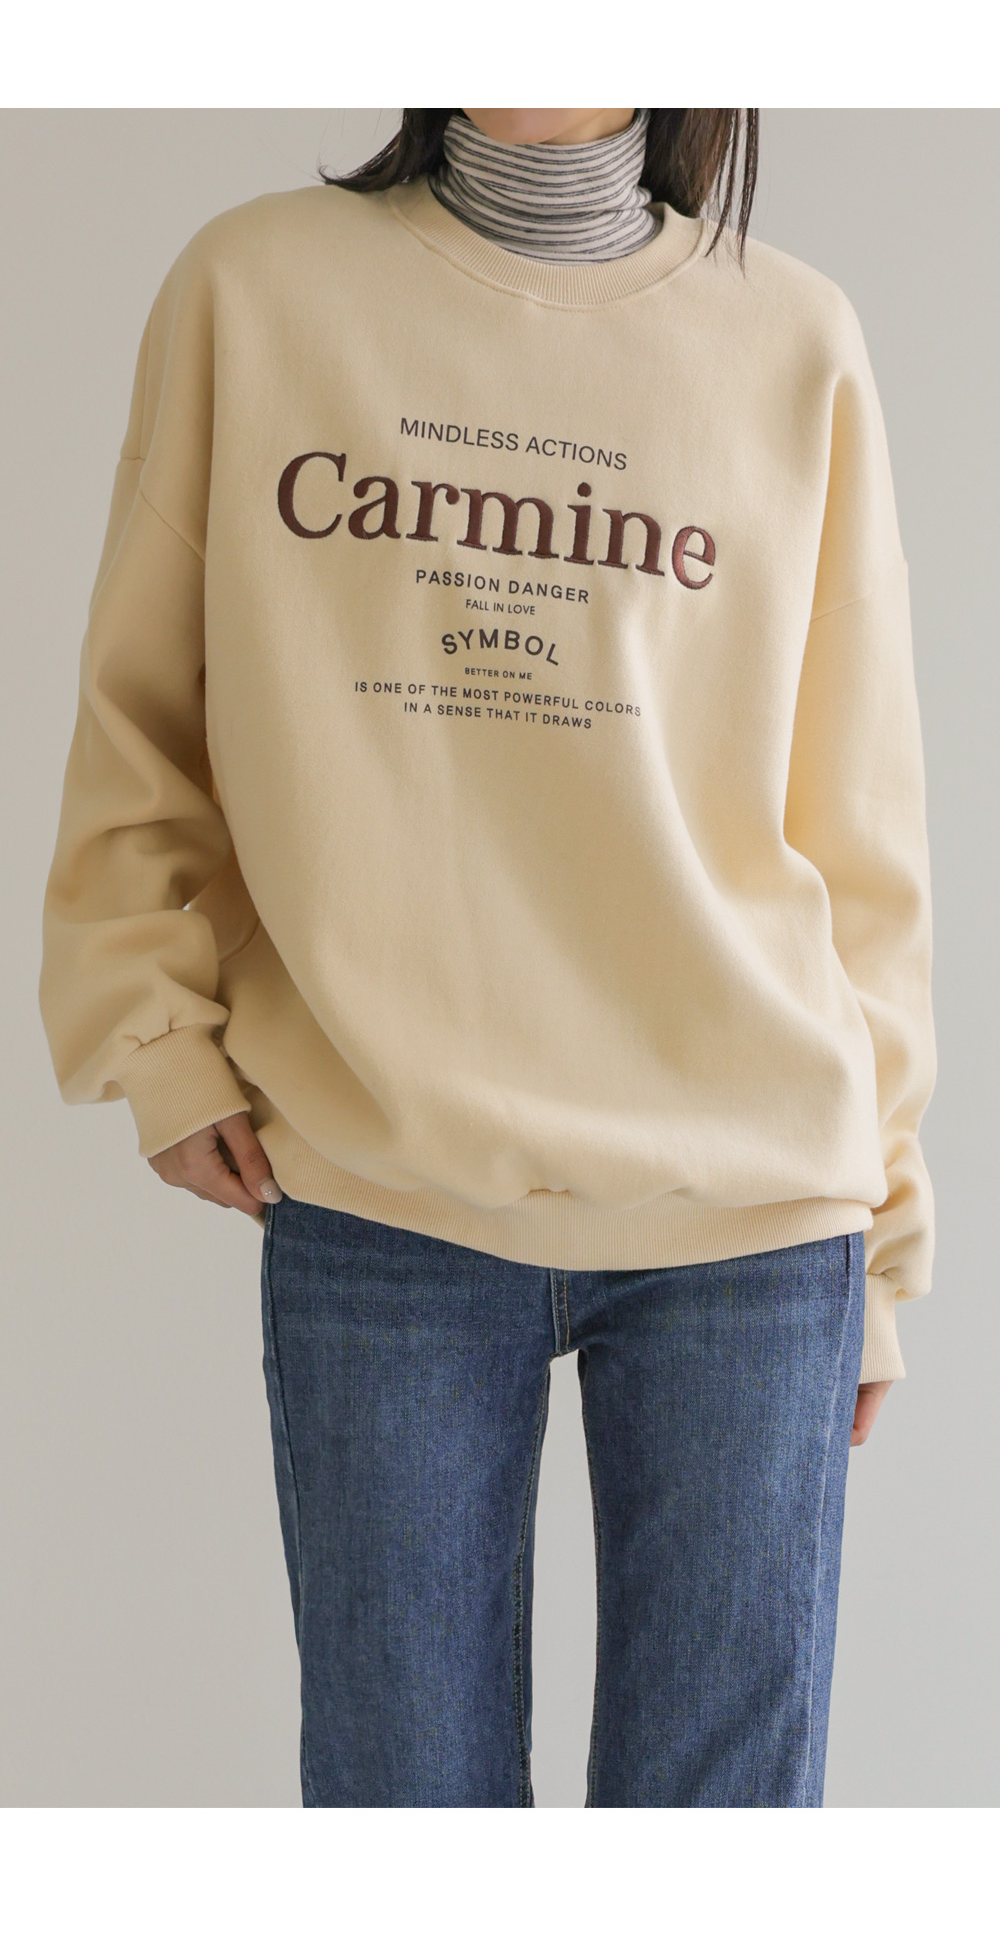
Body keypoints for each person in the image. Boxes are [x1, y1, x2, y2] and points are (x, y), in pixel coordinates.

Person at [39, 107, 937, 1807]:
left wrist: (882, 1239)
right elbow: (140, 710)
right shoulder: (254, 290)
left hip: (756, 1211)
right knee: (404, 1820)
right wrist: (149, 1029)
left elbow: (858, 823)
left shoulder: (794, 339)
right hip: (380, 1178)